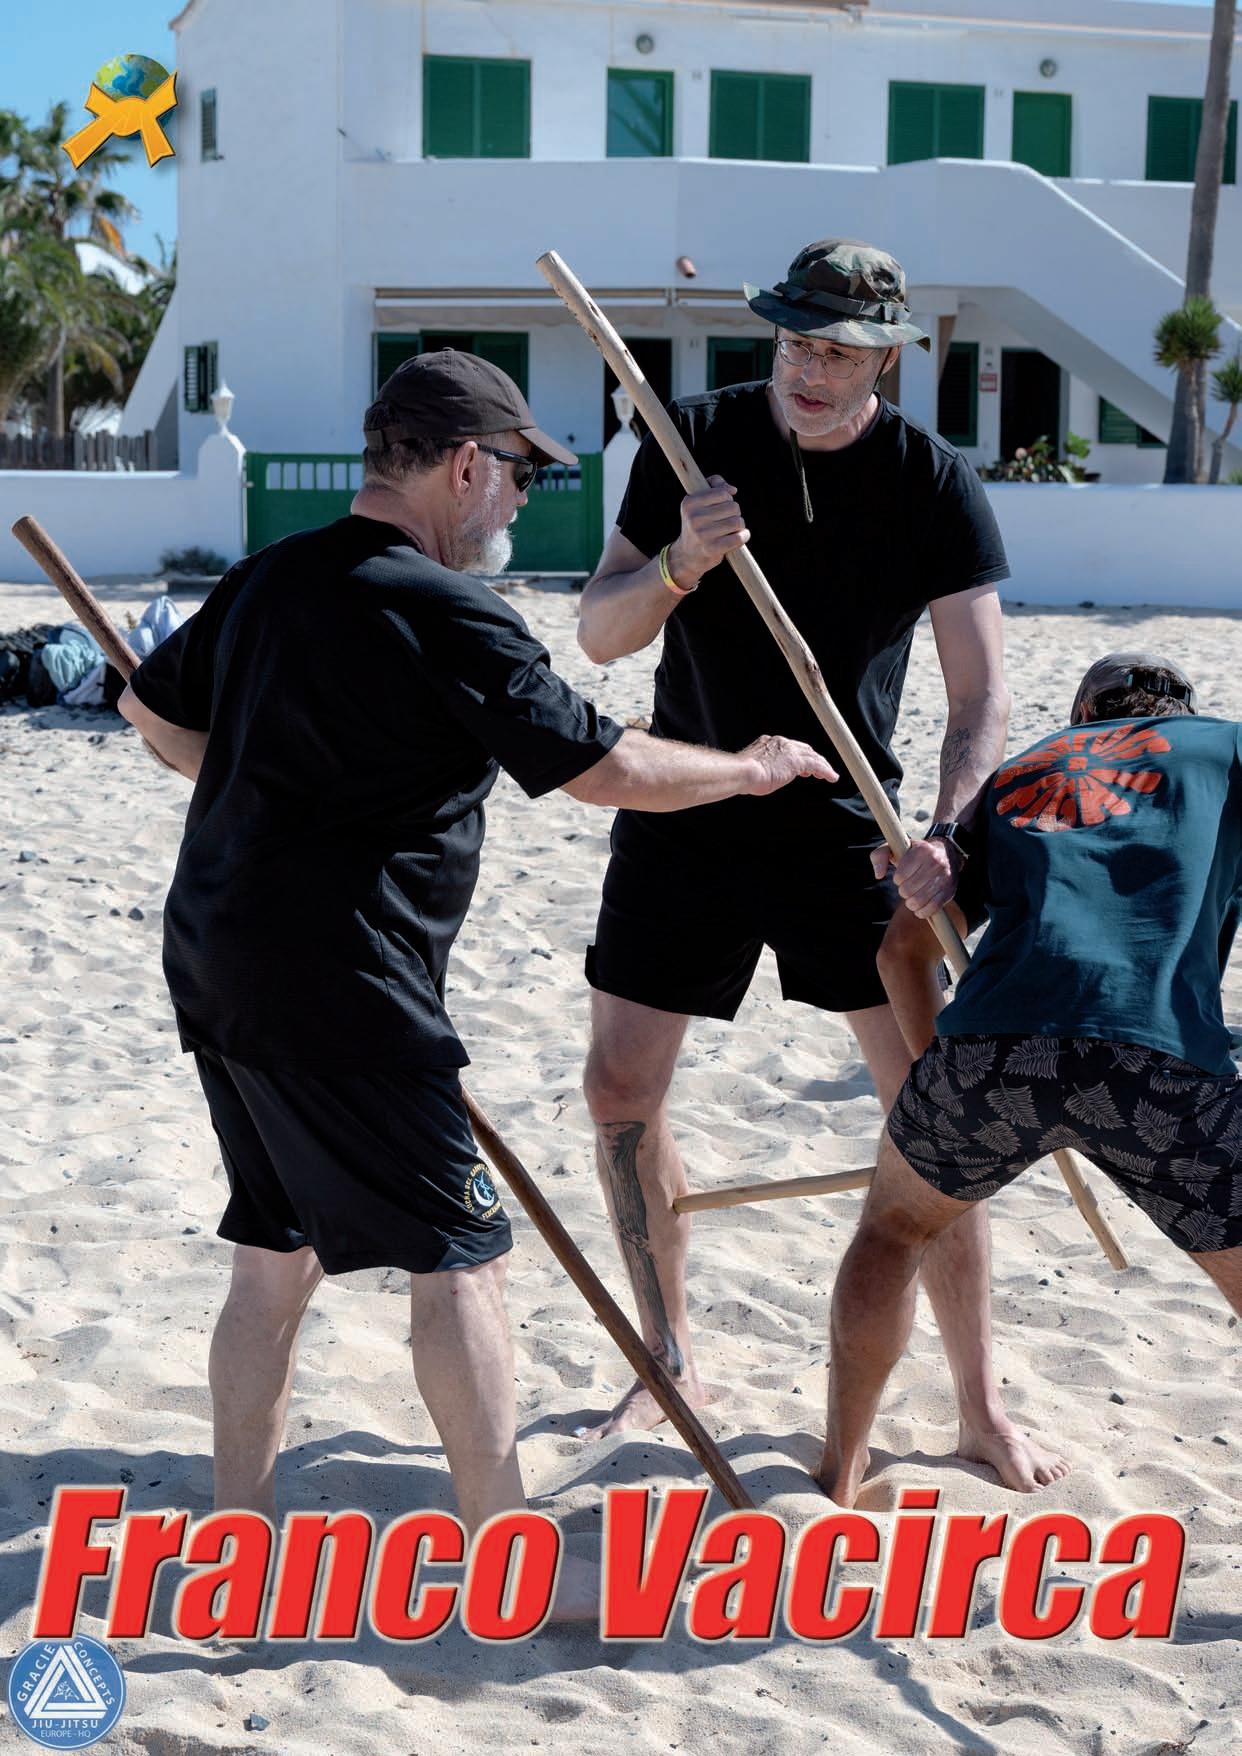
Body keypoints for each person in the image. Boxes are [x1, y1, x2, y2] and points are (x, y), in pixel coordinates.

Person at [118, 349, 836, 1609]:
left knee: (275, 1250)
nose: (518, 497)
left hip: (219, 951)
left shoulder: (271, 575)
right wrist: (751, 768)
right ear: (462, 466)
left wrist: (266, 797)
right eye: (516, 473)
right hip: (345, 979)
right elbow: (604, 766)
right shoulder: (445, 608)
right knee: (462, 1257)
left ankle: (238, 1530)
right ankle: (506, 1554)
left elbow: (150, 709)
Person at [575, 238, 1065, 1491]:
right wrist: (680, 563)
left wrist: (948, 833)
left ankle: (977, 1400)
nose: (808, 367)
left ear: (886, 357)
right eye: (796, 339)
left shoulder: (933, 483)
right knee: (620, 1089)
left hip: (852, 820)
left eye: (840, 351)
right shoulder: (692, 440)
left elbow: (980, 698)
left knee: (935, 1117)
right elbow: (599, 632)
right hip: (689, 794)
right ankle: (668, 1355)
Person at [819, 655, 1242, 1507]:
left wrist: (935, 1083)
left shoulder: (1022, 773)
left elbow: (901, 950)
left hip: (992, 1048)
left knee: (895, 1230)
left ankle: (840, 1472)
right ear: (1180, 711)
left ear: (1084, 714)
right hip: (1159, 1056)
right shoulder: (1225, 749)